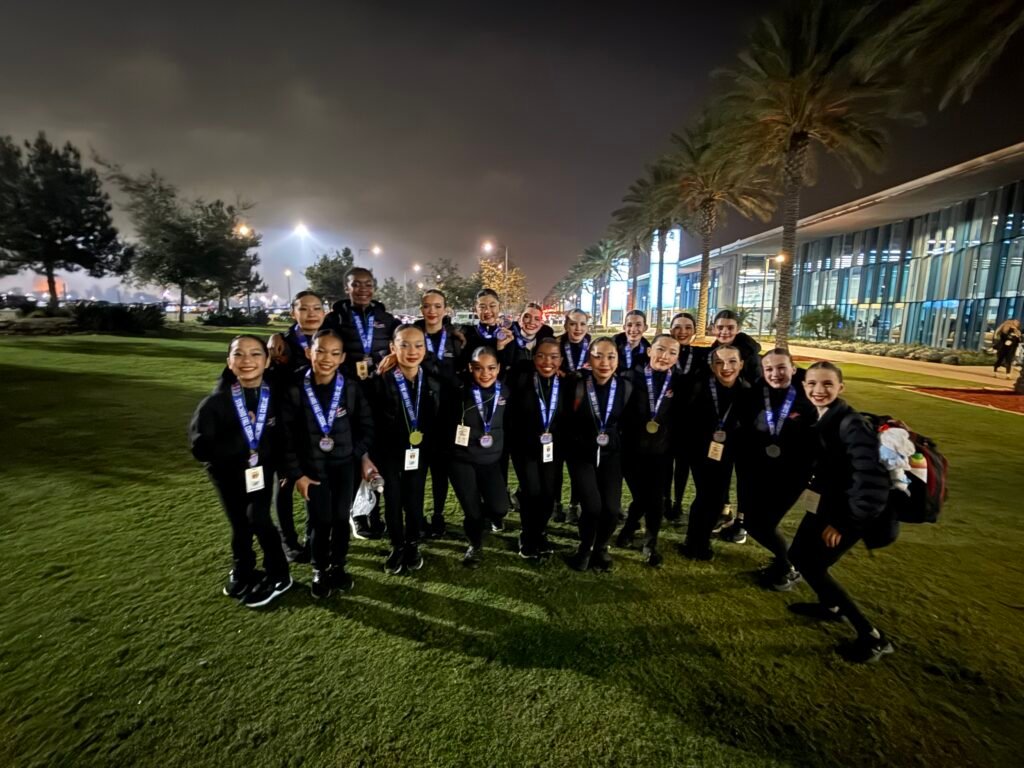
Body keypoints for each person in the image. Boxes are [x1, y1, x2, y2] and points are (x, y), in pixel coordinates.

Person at [787, 361, 895, 663]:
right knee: (798, 555)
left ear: (840, 387)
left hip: (848, 514)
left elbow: (872, 482)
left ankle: (873, 636)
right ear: (804, 386)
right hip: (826, 505)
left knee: (813, 566)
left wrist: (844, 524)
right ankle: (830, 606)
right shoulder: (821, 415)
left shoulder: (851, 424)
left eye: (827, 384)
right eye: (812, 384)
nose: (818, 390)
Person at [188, 335, 292, 608]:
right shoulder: (214, 403)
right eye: (239, 354)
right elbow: (200, 449)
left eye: (256, 354)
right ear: (229, 362)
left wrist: (285, 469)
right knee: (239, 524)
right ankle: (244, 569)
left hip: (260, 472)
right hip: (225, 475)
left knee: (258, 518)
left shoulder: (275, 396)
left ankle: (279, 574)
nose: (247, 360)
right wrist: (239, 441)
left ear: (267, 361)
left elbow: (284, 437)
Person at [281, 329, 374, 598]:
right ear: (308, 352)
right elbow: (285, 437)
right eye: (320, 351)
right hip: (312, 470)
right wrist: (297, 474)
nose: (326, 358)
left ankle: (338, 565)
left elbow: (367, 427)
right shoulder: (295, 388)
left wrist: (354, 454)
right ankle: (319, 569)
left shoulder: (351, 388)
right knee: (320, 520)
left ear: (342, 358)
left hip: (344, 467)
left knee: (340, 518)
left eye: (334, 353)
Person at [326, 267, 400, 540]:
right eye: (356, 284)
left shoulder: (386, 319)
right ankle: (357, 514)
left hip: (379, 394)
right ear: (346, 288)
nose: (362, 289)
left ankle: (374, 511)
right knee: (356, 452)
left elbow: (408, 338)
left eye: (367, 284)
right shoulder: (335, 319)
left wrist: (453, 331)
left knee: (376, 453)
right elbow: (317, 344)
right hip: (347, 396)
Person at [734, 348, 816, 590]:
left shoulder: (808, 396)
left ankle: (787, 567)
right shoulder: (755, 393)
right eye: (769, 368)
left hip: (792, 475)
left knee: (763, 524)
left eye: (781, 367)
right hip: (759, 471)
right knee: (754, 522)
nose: (775, 373)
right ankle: (784, 563)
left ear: (793, 369)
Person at [367, 325, 445, 575]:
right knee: (392, 500)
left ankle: (412, 543)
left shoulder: (432, 379)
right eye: (404, 345)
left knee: (414, 498)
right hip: (388, 453)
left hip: (419, 453)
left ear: (425, 348)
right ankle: (397, 545)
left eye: (418, 345)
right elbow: (371, 421)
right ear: (393, 348)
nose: (412, 351)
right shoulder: (380, 381)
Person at [266, 291, 328, 562]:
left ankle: (313, 537)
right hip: (287, 425)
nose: (311, 313)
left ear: (324, 312)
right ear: (293, 313)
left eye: (316, 308)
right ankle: (288, 541)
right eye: (304, 309)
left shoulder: (329, 340)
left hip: (318, 426)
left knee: (315, 481)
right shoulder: (282, 344)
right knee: (285, 483)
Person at [563, 337, 629, 572]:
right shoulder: (576, 384)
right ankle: (584, 549)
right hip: (581, 454)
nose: (604, 362)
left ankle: (600, 547)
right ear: (589, 359)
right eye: (598, 356)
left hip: (611, 454)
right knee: (592, 507)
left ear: (618, 360)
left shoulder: (625, 387)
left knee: (611, 509)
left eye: (611, 357)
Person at [676, 345, 747, 561]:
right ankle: (694, 542)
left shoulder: (747, 390)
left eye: (732, 361)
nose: (726, 367)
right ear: (712, 366)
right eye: (719, 362)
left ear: (741, 364)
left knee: (716, 500)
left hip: (728, 453)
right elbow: (685, 419)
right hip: (700, 451)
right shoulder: (699, 386)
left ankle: (701, 538)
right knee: (705, 496)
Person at [617, 334, 681, 566]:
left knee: (655, 498)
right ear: (649, 351)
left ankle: (650, 544)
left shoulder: (680, 382)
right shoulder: (629, 377)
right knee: (642, 496)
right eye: (660, 349)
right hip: (631, 450)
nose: (665, 356)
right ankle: (629, 528)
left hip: (661, 453)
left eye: (672, 353)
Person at [506, 338, 568, 560]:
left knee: (548, 494)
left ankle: (540, 532)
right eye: (541, 356)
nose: (547, 362)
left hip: (553, 450)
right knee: (531, 492)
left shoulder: (567, 383)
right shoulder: (522, 378)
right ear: (533, 358)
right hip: (525, 448)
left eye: (553, 357)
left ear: (561, 360)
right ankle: (527, 534)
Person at [449, 347, 510, 568]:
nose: (485, 374)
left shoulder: (505, 392)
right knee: (472, 511)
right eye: (478, 368)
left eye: (491, 368)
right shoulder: (458, 390)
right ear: (470, 368)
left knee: (500, 508)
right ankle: (474, 545)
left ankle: (480, 516)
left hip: (490, 460)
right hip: (461, 460)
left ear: (498, 368)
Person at [414, 289, 464, 538]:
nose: (432, 311)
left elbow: (462, 375)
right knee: (416, 471)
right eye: (427, 306)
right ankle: (417, 517)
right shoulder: (412, 335)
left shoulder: (455, 339)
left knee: (440, 471)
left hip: (446, 416)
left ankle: (438, 515)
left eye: (437, 306)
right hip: (417, 414)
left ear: (445, 309)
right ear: (421, 309)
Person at [553, 308, 592, 525]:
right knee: (556, 463)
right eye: (573, 324)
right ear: (566, 325)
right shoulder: (556, 345)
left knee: (577, 464)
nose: (577, 328)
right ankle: (556, 504)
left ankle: (573, 506)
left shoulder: (593, 347)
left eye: (582, 324)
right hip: (558, 413)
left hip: (583, 414)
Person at [666, 312, 701, 524]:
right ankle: (665, 501)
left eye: (688, 327)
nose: (682, 332)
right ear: (671, 330)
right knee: (664, 464)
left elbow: (746, 348)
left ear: (694, 331)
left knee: (682, 465)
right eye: (678, 327)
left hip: (690, 423)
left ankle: (678, 503)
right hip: (664, 420)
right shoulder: (664, 353)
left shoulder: (702, 355)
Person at [458, 289, 519, 372]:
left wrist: (500, 348)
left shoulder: (507, 336)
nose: (487, 311)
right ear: (475, 309)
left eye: (492, 306)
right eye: (482, 307)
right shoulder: (466, 334)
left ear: (499, 307)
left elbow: (507, 370)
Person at [707, 309, 761, 385]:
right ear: (713, 328)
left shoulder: (750, 355)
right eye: (720, 327)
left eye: (730, 328)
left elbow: (756, 381)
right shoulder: (711, 352)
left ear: (738, 329)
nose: (724, 332)